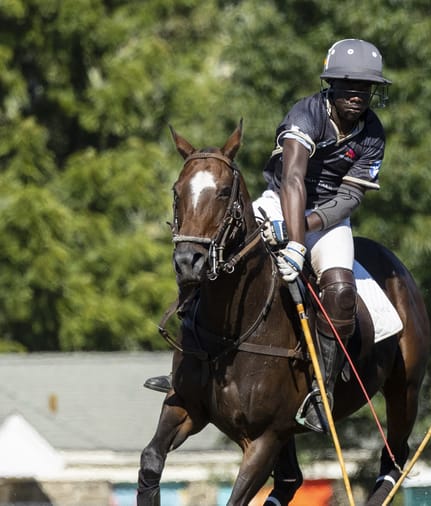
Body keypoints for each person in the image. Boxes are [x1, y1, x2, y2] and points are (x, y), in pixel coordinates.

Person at [144, 39, 393, 432]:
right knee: (212, 257)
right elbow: (293, 179)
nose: (357, 96)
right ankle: (187, 366)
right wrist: (292, 240)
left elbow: (349, 196)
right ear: (331, 85)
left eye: (365, 87)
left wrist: (304, 233)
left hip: (326, 220)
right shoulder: (305, 115)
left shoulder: (373, 133)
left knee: (342, 292)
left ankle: (321, 391)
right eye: (348, 85)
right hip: (279, 202)